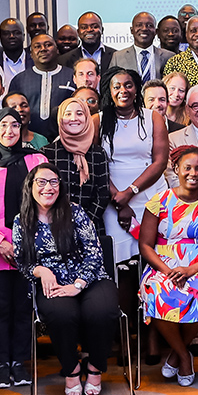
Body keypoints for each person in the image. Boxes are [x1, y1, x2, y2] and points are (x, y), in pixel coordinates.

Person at [16, 163, 117, 395]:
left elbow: (94, 252)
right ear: (30, 186)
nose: (48, 187)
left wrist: (79, 284)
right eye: (41, 182)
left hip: (90, 278)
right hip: (53, 283)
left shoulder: (75, 212)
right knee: (61, 315)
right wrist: (40, 270)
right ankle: (71, 369)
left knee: (102, 311)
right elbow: (22, 262)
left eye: (54, 182)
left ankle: (95, 367)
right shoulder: (22, 220)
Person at [138, 146, 198, 387]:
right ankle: (184, 356)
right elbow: (145, 245)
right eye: (187, 168)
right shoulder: (159, 201)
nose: (193, 173)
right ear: (176, 169)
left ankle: (177, 353)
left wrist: (191, 270)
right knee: (158, 292)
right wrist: (167, 271)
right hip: (162, 265)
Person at [0, 104, 48, 389]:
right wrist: (0, 242)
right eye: (3, 125)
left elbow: (46, 201)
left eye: (15, 125)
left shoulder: (36, 160)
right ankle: (1, 363)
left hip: (30, 246)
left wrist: (28, 240)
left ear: (22, 128)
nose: (9, 130)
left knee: (23, 307)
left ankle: (20, 361)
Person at [98, 70, 168, 267]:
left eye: (128, 85)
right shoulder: (98, 121)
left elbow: (160, 162)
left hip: (151, 196)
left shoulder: (153, 118)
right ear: (110, 91)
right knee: (122, 262)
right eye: (117, 86)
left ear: (137, 90)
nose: (123, 90)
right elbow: (96, 165)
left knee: (156, 258)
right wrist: (119, 202)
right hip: (114, 199)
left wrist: (130, 192)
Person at [44, 92, 115, 226]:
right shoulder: (47, 153)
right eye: (67, 114)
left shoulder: (98, 153)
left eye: (79, 113)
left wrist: (84, 223)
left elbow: (103, 194)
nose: (73, 118)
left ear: (87, 117)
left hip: (91, 227)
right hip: (55, 226)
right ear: (60, 119)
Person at [13, 33, 72, 139]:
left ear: (57, 50)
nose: (43, 49)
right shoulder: (19, 80)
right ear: (31, 54)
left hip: (66, 138)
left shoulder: (72, 76)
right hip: (29, 140)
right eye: (37, 46)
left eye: (48, 45)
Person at [118, 12, 176, 80]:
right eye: (139, 25)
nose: (144, 29)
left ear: (156, 31)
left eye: (149, 25)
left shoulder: (169, 56)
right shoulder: (118, 57)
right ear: (132, 30)